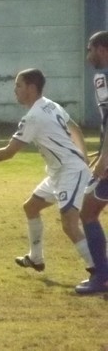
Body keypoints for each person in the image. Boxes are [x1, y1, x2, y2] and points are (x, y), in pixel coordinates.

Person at [0, 68, 94, 274]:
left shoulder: (33, 117)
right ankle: (35, 258)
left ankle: (99, 270)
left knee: (69, 225)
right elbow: (75, 127)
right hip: (58, 172)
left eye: (18, 85)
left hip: (71, 172)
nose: (15, 90)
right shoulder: (51, 104)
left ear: (31, 88)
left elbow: (8, 152)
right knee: (31, 207)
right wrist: (83, 154)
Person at [75, 31, 108, 294]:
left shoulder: (103, 77)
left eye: (90, 49)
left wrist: (105, 157)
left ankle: (103, 277)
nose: (88, 55)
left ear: (102, 49)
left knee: (87, 212)